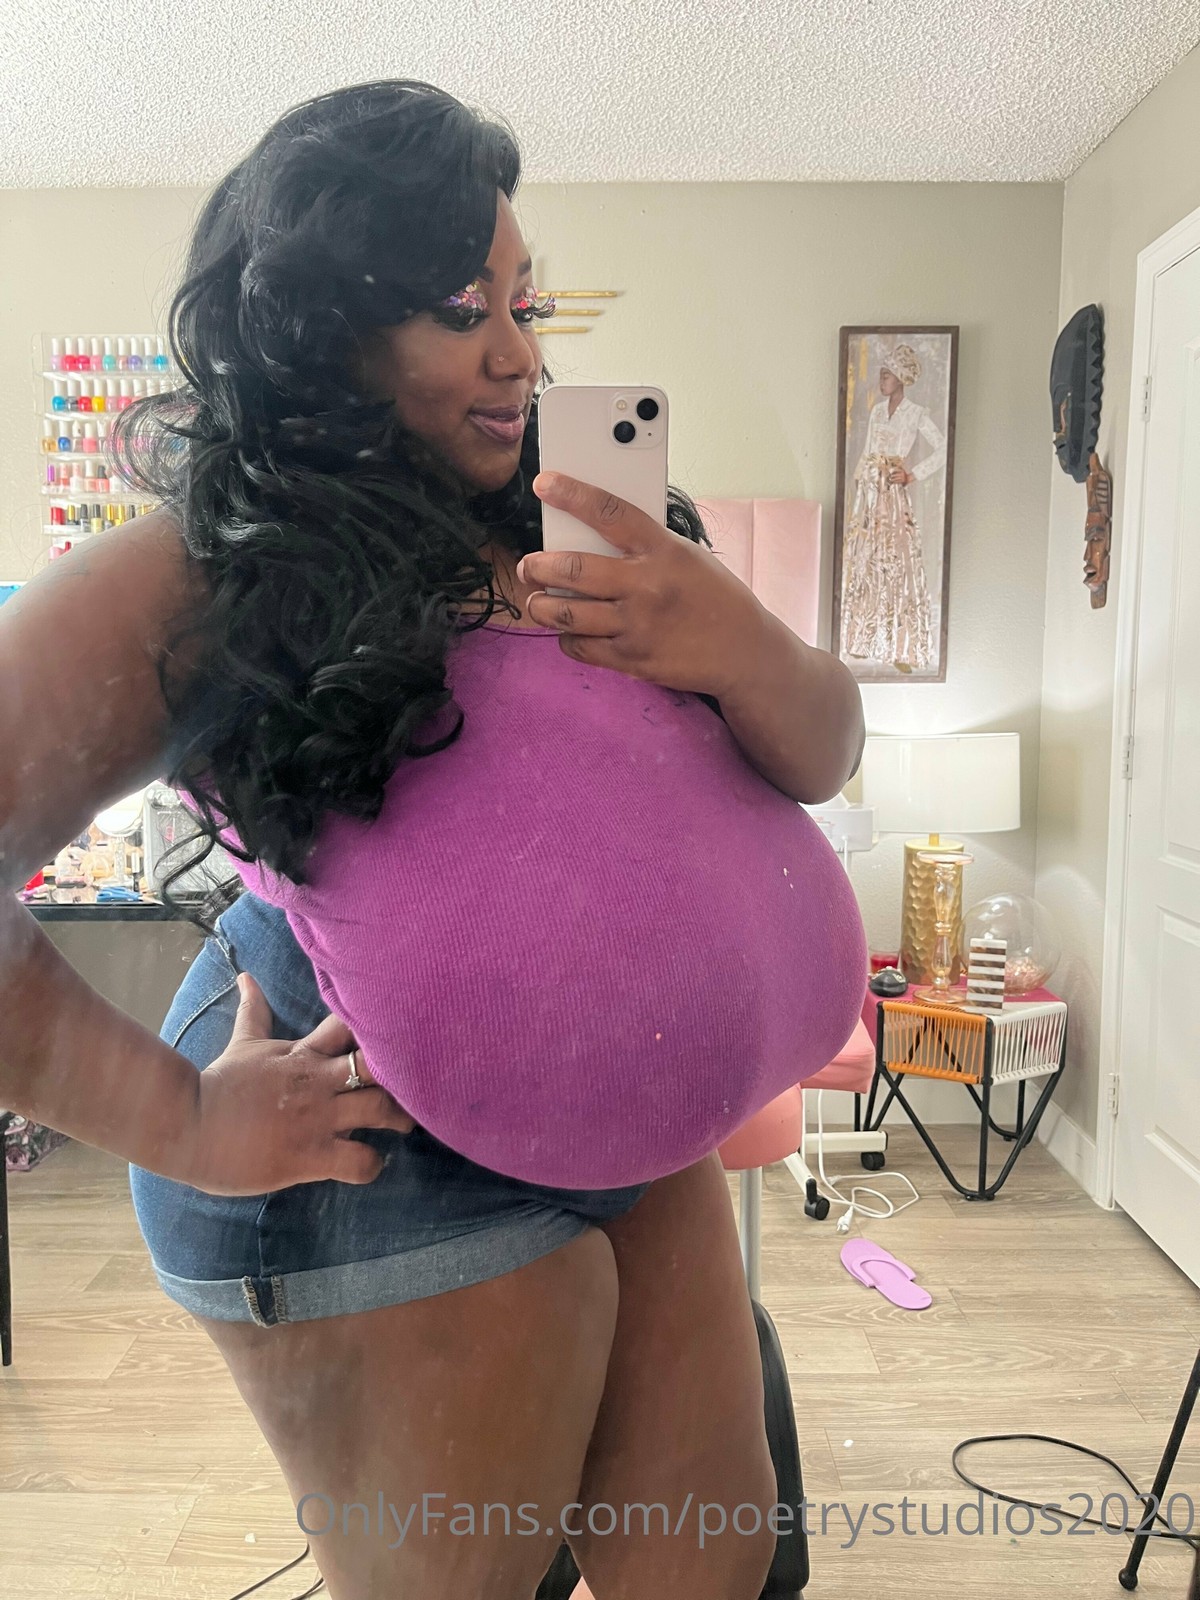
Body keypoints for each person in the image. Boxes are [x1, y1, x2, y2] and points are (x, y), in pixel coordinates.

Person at [0, 81, 865, 1599]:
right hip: (364, 1136)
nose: (520, 353)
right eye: (463, 308)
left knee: (715, 1570)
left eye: (525, 301)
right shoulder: (206, 572)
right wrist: (184, 1119)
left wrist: (738, 641)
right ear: (320, 328)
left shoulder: (579, 518)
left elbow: (827, 749)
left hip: (629, 1130)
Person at [840, 344, 946, 673]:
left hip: (893, 494)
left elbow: (943, 449)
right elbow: (867, 450)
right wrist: (858, 486)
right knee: (866, 560)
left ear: (900, 378)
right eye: (881, 375)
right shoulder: (876, 411)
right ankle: (862, 639)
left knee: (897, 562)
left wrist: (912, 474)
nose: (882, 380)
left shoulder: (916, 413)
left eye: (887, 375)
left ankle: (902, 646)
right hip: (870, 494)